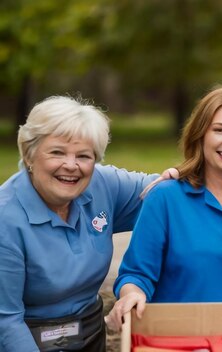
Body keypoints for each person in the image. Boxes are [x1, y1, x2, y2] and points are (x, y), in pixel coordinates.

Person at [105, 86, 222, 331]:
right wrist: (131, 294)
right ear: (200, 135)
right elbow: (136, 274)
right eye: (219, 130)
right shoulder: (165, 198)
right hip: (177, 342)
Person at [0, 96, 158, 351]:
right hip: (26, 339)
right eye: (57, 152)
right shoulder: (5, 219)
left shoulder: (102, 184)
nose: (71, 165)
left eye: (84, 156)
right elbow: (5, 321)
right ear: (29, 154)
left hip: (91, 331)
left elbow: (167, 194)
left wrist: (179, 178)